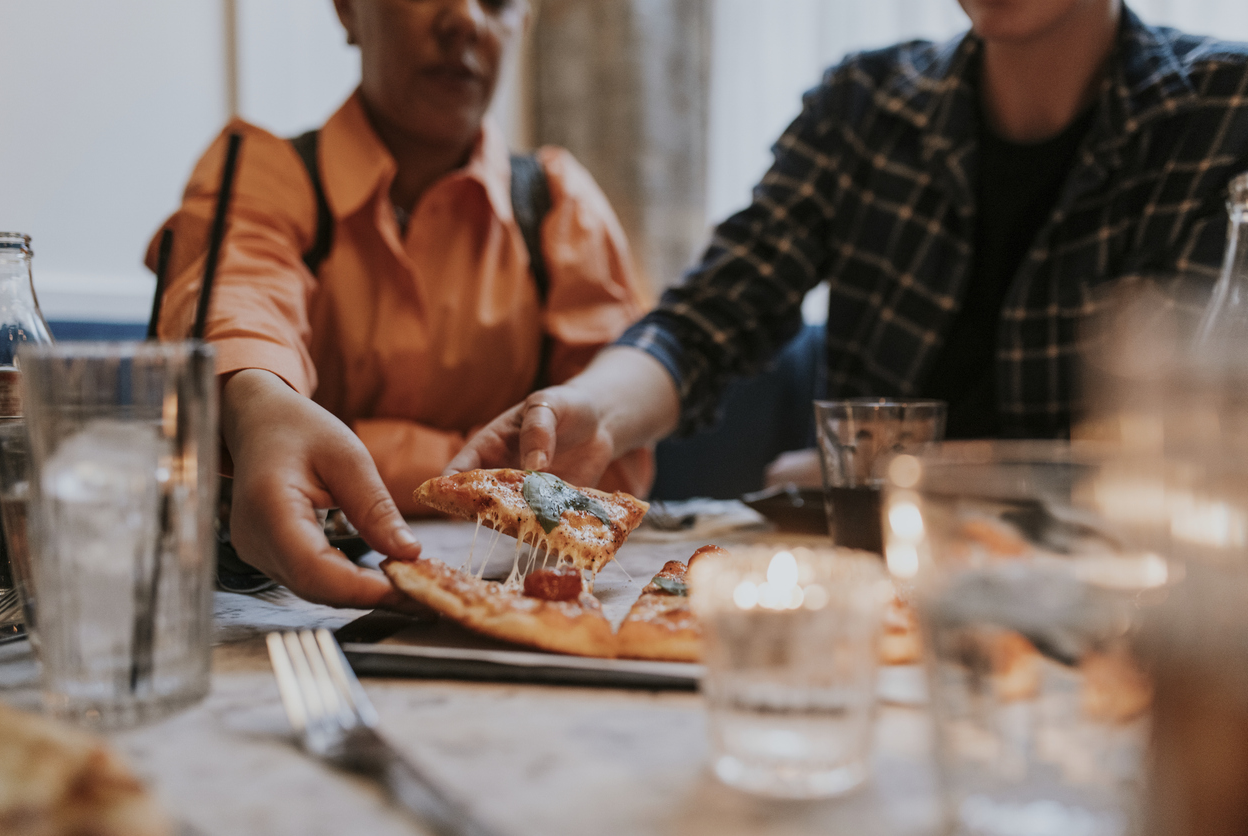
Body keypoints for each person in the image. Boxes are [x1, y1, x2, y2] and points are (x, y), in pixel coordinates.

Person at [450, 0, 1248, 488]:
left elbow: (1170, 453)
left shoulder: (1222, 110)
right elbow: (709, 319)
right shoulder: (860, 105)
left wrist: (885, 482)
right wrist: (593, 409)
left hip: (1114, 631)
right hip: (875, 617)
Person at [148, 0, 651, 609]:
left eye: (498, 1)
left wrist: (359, 452)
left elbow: (610, 467)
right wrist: (258, 403)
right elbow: (238, 301)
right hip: (273, 610)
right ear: (347, 11)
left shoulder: (562, 207)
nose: (465, 18)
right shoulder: (259, 175)